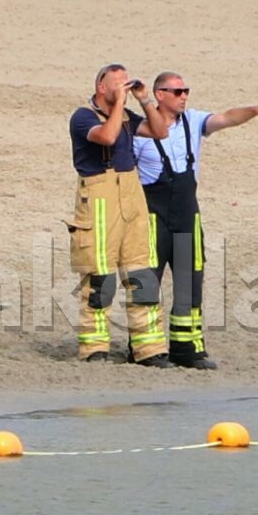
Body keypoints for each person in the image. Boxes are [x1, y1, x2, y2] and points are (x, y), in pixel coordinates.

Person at [132, 72, 258, 369]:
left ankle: (187, 350)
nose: (184, 95)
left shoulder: (194, 121)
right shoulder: (139, 130)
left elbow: (227, 118)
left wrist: (252, 111)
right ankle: (146, 350)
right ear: (160, 95)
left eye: (186, 90)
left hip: (187, 214)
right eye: (178, 91)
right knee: (147, 281)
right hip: (152, 215)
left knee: (190, 280)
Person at [67, 63, 173, 367]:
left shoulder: (127, 114)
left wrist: (143, 99)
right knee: (100, 277)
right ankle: (94, 348)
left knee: (141, 273)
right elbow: (108, 137)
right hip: (99, 196)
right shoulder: (83, 116)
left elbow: (160, 131)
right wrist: (120, 105)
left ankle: (149, 348)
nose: (125, 86)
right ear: (102, 87)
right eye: (119, 83)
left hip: (131, 192)